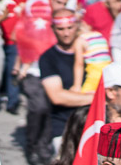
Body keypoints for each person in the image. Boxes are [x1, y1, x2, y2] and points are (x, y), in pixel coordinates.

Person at [40, 9, 94, 144]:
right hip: (64, 126)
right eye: (61, 29)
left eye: (70, 28)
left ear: (77, 26)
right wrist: (97, 98)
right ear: (53, 29)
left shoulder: (91, 51)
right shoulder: (48, 58)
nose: (66, 33)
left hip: (93, 124)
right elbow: (57, 97)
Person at [73, 18, 113, 94]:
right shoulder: (99, 35)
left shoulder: (80, 40)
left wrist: (76, 86)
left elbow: (79, 64)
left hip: (95, 72)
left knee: (84, 95)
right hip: (108, 70)